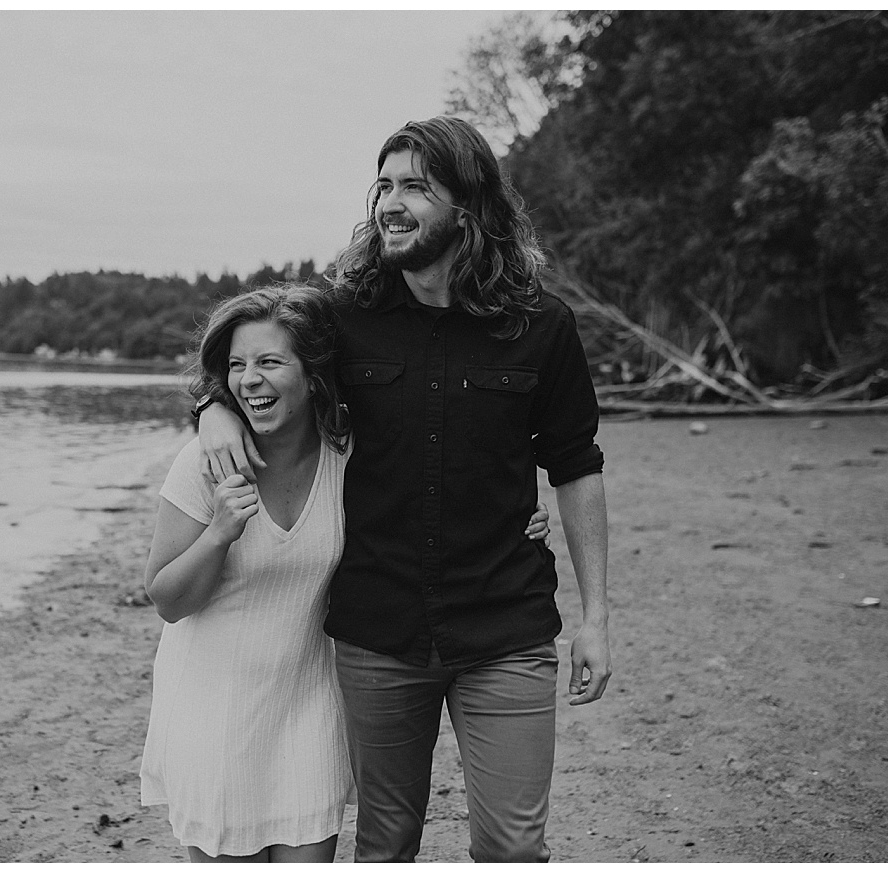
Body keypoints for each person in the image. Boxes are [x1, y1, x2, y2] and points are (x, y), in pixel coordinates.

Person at [196, 116, 611, 863]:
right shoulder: (343, 317)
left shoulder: (542, 327)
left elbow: (576, 464)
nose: (390, 201)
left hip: (507, 627)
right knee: (385, 845)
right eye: (383, 184)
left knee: (515, 848)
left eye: (416, 186)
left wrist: (598, 616)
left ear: (470, 206)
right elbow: (254, 361)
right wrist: (213, 409)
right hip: (377, 632)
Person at [140, 284, 553, 862]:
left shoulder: (351, 457)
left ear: (313, 375)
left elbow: (435, 488)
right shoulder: (205, 464)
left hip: (309, 712)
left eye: (269, 362)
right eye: (235, 366)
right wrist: (218, 534)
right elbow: (166, 599)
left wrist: (515, 515)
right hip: (216, 716)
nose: (248, 379)